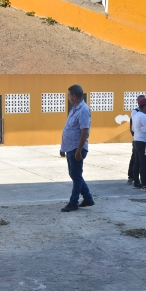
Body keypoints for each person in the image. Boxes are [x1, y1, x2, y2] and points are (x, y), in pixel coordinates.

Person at [60, 84, 94, 212]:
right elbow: (68, 128)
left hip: (76, 148)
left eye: (69, 95)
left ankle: (73, 202)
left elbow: (84, 132)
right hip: (70, 147)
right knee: (75, 175)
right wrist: (63, 147)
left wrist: (79, 151)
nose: (68, 97)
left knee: (76, 176)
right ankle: (88, 198)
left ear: (74, 96)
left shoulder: (84, 110)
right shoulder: (74, 109)